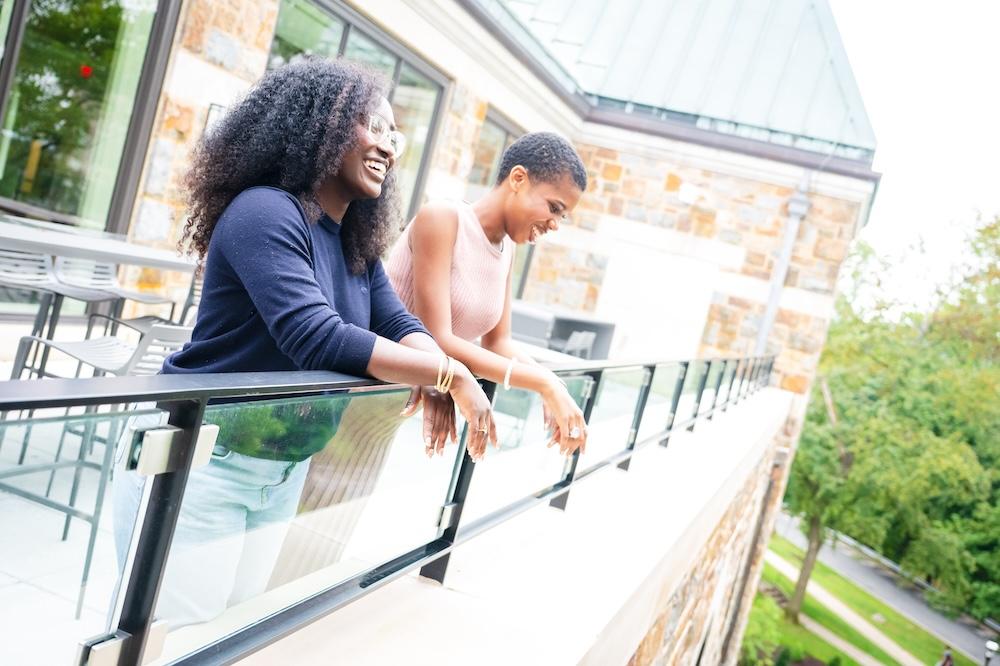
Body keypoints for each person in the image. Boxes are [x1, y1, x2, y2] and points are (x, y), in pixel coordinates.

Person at [113, 58, 495, 627]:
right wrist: (450, 376)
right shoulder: (264, 211)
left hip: (283, 468)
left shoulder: (352, 245)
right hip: (202, 458)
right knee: (173, 642)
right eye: (372, 124)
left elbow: (397, 323)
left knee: (227, 636)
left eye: (395, 134)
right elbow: (314, 335)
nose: (388, 146)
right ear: (317, 125)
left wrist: (435, 364)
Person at [386, 132, 589, 457]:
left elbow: (499, 343)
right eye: (554, 207)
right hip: (372, 388)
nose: (554, 224)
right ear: (518, 178)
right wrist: (543, 384)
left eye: (561, 216)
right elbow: (436, 336)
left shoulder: (507, 249)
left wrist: (552, 383)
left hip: (423, 396)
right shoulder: (442, 218)